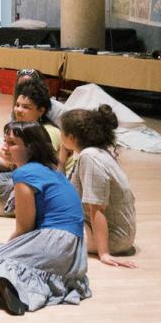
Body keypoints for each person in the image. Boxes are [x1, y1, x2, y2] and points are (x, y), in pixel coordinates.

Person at [0, 122, 91, 315]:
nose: (4, 148)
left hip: (53, 241)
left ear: (31, 148)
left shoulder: (24, 174)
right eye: (5, 142)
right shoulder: (50, 169)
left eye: (12, 144)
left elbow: (24, 228)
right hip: (73, 250)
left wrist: (5, 250)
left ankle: (4, 281)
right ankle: (4, 282)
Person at [0, 78, 58, 216]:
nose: (19, 110)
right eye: (17, 105)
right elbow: (10, 165)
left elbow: (33, 170)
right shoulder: (20, 128)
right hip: (23, 174)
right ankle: (2, 199)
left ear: (41, 111)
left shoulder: (48, 132)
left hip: (41, 183)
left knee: (13, 184)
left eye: (26, 107)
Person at [60, 106, 137, 269]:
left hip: (113, 238)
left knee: (48, 233)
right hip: (105, 229)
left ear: (71, 137)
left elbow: (97, 207)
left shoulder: (90, 157)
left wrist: (104, 253)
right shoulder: (94, 152)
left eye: (62, 132)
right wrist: (61, 158)